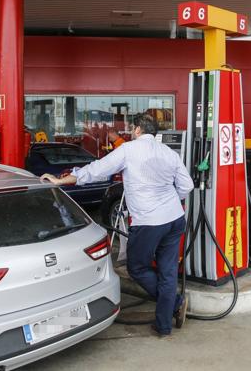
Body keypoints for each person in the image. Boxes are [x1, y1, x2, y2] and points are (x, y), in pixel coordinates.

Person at [40, 114, 194, 336]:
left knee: (137, 268)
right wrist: (168, 202)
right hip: (174, 219)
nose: (130, 132)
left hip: (149, 223)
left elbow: (96, 170)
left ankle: (175, 303)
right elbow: (186, 186)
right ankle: (164, 324)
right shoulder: (169, 152)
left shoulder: (129, 150)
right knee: (168, 273)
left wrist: (61, 180)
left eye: (132, 128)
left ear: (139, 129)